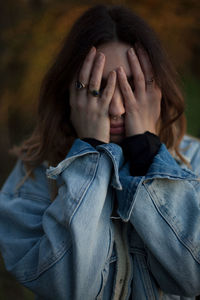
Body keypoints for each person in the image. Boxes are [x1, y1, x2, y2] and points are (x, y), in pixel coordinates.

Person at [0, 4, 200, 300]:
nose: (117, 108)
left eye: (132, 86)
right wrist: (90, 156)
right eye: (98, 87)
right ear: (70, 91)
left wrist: (147, 154)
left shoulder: (193, 161)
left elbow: (194, 277)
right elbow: (70, 288)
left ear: (157, 89)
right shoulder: (31, 179)